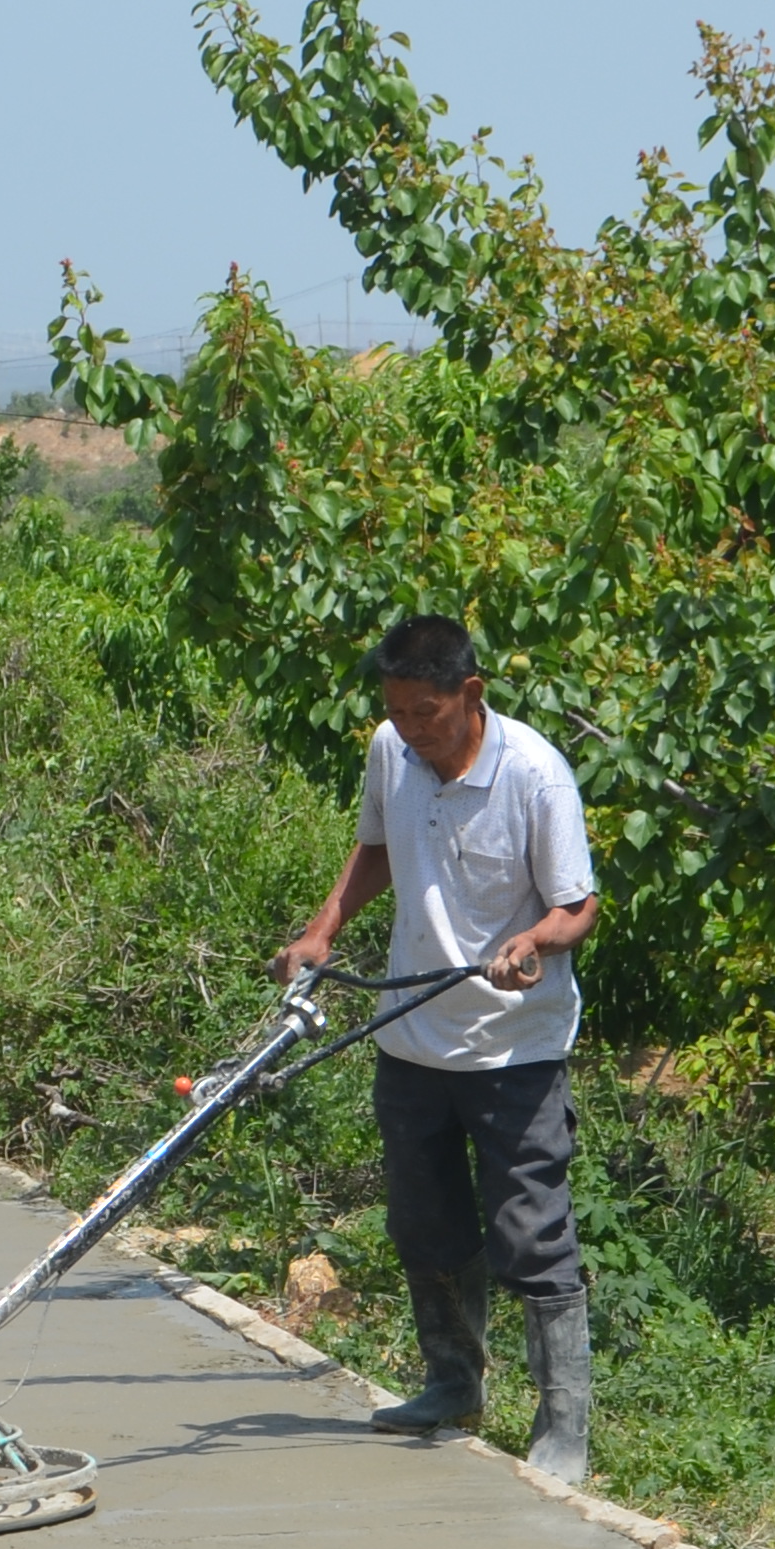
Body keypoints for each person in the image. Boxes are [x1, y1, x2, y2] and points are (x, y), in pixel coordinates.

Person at [273, 615, 601, 1486]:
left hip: (514, 1052)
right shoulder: (393, 750)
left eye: (428, 712)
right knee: (424, 1225)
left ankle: (563, 1424)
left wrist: (535, 941)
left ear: (472, 694)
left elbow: (578, 906)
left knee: (529, 1233)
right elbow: (376, 850)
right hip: (413, 1039)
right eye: (398, 712)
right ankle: (451, 1384)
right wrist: (321, 933)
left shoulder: (535, 776)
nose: (413, 730)